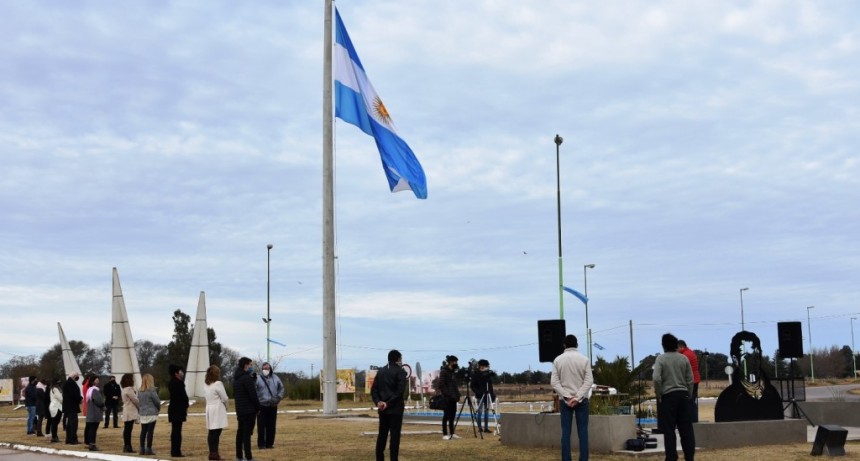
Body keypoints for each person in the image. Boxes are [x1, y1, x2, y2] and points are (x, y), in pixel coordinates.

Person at [551, 334, 593, 461]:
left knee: (566, 433)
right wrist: (577, 397)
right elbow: (589, 381)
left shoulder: (557, 360)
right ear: (577, 345)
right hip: (582, 401)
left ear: (564, 345)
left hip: (565, 401)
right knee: (583, 432)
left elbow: (554, 383)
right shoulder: (585, 360)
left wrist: (567, 397)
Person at [654, 333, 696, 461]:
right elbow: (690, 379)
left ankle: (671, 457)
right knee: (686, 429)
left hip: (668, 396)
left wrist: (659, 394)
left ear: (663, 345)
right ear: (676, 345)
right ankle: (689, 457)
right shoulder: (683, 358)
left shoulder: (661, 359)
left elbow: (656, 378)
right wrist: (689, 394)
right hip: (683, 396)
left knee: (669, 430)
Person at [371, 349, 407, 461]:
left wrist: (378, 402)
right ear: (398, 359)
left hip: (382, 409)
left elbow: (374, 390)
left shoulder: (380, 371)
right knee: (394, 437)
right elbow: (399, 392)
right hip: (395, 409)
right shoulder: (400, 372)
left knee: (382, 435)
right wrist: (389, 403)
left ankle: (379, 458)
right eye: (401, 359)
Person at [233, 357, 260, 461]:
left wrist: (252, 380)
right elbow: (253, 395)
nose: (251, 367)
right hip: (249, 410)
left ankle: (239, 456)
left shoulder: (237, 378)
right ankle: (248, 457)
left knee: (240, 433)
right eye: (250, 365)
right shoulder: (246, 379)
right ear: (245, 365)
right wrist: (258, 408)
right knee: (247, 435)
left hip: (240, 410)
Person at [255, 361, 284, 450]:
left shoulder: (276, 378)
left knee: (271, 425)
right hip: (261, 405)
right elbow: (254, 390)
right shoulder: (257, 378)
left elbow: (281, 388)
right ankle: (261, 444)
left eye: (267, 368)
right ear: (261, 369)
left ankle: (269, 443)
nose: (266, 370)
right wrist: (257, 401)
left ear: (270, 368)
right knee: (261, 426)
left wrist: (278, 397)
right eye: (264, 368)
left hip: (272, 405)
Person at [205, 365, 228, 461]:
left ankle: (212, 452)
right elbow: (224, 398)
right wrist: (226, 406)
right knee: (216, 432)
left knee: (211, 432)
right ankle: (214, 453)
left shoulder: (206, 384)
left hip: (209, 408)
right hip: (217, 408)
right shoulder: (218, 384)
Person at [167, 364, 190, 457]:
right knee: (177, 431)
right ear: (176, 373)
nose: (182, 373)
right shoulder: (179, 383)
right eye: (180, 371)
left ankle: (174, 450)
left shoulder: (171, 383)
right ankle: (176, 451)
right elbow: (184, 397)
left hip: (173, 408)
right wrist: (186, 405)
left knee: (174, 430)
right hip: (179, 409)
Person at [677, 340, 701, 423]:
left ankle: (693, 421)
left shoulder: (685, 355)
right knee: (691, 402)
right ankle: (693, 421)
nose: (676, 350)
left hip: (691, 381)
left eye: (677, 348)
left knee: (690, 402)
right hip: (695, 380)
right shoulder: (690, 352)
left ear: (681, 347)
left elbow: (682, 369)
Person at [437, 355, 461, 440]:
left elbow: (455, 385)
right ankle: (445, 434)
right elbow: (441, 384)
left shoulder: (453, 372)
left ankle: (452, 433)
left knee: (452, 416)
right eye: (455, 362)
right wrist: (447, 394)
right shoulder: (444, 371)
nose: (456, 363)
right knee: (446, 416)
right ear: (450, 362)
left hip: (454, 398)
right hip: (447, 398)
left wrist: (457, 395)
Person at [470, 359, 496, 433]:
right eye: (483, 366)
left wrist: (492, 395)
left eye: (485, 366)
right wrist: (478, 392)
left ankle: (486, 428)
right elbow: (472, 386)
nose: (484, 367)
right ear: (480, 366)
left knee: (486, 412)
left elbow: (490, 386)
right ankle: (480, 428)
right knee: (480, 411)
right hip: (479, 396)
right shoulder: (476, 374)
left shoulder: (488, 374)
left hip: (487, 395)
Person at [138, 373, 161, 456]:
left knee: (143, 431)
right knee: (150, 431)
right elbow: (157, 401)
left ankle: (142, 448)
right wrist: (158, 409)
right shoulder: (152, 390)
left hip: (143, 413)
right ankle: (148, 448)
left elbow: (139, 402)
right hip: (151, 412)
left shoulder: (139, 391)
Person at [84, 376, 105, 451]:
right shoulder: (95, 390)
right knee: (93, 429)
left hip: (90, 412)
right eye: (96, 380)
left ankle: (89, 443)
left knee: (90, 429)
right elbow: (99, 401)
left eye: (98, 380)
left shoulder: (89, 390)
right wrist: (103, 406)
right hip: (95, 412)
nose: (98, 382)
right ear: (93, 382)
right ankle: (92, 444)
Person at [120, 373, 139, 453]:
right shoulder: (129, 389)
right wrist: (139, 405)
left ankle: (126, 445)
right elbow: (135, 400)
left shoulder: (124, 389)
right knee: (128, 429)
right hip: (130, 410)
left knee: (127, 429)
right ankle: (128, 446)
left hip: (126, 410)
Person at [62, 372, 83, 445]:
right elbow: (73, 394)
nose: (78, 378)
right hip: (71, 406)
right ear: (74, 376)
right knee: (73, 424)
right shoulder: (69, 384)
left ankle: (69, 439)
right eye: (77, 376)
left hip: (69, 406)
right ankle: (73, 439)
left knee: (70, 424)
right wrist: (80, 399)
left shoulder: (68, 383)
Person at [48, 379, 64, 443]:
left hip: (54, 406)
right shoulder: (55, 389)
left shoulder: (52, 389)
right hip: (56, 407)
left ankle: (54, 436)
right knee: (55, 423)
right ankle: (54, 437)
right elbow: (61, 398)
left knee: (54, 422)